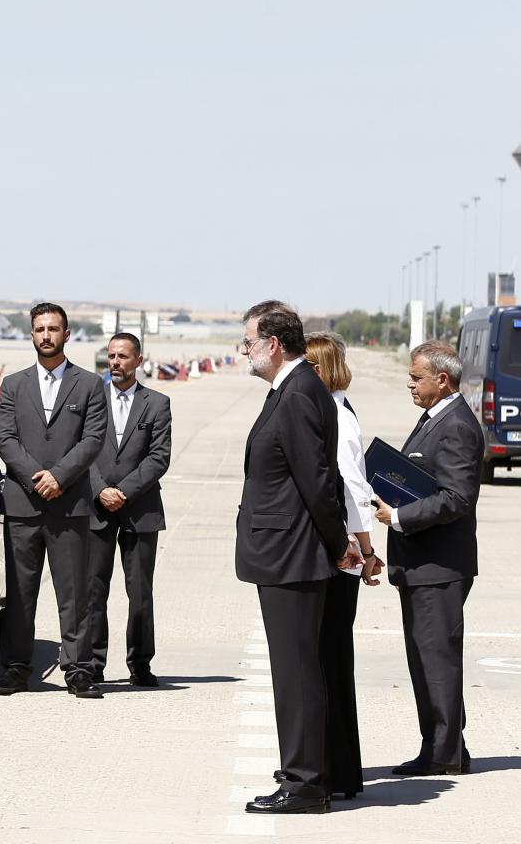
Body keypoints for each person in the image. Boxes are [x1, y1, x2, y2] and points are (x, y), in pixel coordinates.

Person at [236, 301, 353, 815]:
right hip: (286, 550)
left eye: (249, 342)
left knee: (296, 672)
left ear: (273, 344)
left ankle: (305, 783)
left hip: (294, 554)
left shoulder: (301, 392)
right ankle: (305, 775)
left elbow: (318, 483)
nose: (245, 351)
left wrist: (338, 545)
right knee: (296, 670)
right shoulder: (289, 389)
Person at [0, 302, 108, 698]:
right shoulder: (15, 385)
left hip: (70, 505)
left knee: (74, 593)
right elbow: (5, 439)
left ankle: (78, 670)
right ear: (31, 334)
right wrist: (36, 478)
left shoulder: (89, 384)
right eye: (40, 329)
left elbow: (92, 440)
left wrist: (59, 477)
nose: (46, 336)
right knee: (21, 593)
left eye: (53, 329)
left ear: (67, 334)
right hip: (24, 504)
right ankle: (16, 668)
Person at [372, 341, 481, 777]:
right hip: (423, 564)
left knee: (436, 662)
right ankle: (446, 745)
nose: (409, 383)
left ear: (442, 379)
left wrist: (398, 516)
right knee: (427, 660)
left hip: (438, 566)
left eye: (416, 377)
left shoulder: (456, 425)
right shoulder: (436, 417)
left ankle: (442, 754)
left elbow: (457, 498)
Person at [303, 332, 384, 799]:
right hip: (344, 550)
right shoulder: (335, 408)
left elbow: (354, 489)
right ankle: (335, 767)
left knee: (329, 661)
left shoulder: (334, 413)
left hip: (343, 554)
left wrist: (368, 552)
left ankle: (336, 770)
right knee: (328, 660)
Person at [84, 332, 172, 688]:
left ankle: (140, 663)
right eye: (111, 356)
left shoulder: (157, 403)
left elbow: (159, 457)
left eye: (123, 356)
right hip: (96, 507)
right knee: (93, 590)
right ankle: (92, 662)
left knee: (140, 592)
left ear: (138, 360)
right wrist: (100, 489)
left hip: (140, 508)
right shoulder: (91, 400)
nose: (116, 362)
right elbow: (80, 450)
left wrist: (123, 491)